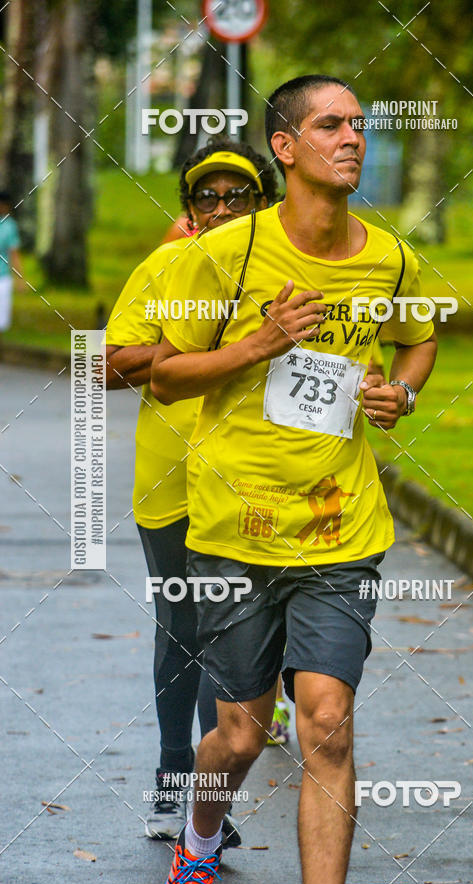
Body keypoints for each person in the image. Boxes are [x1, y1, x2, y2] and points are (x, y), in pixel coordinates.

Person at [151, 74, 437, 884]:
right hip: (235, 529)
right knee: (239, 738)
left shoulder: (390, 258)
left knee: (327, 728)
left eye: (359, 125)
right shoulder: (224, 254)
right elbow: (163, 375)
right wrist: (259, 344)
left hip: (340, 530)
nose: (352, 138)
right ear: (285, 146)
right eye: (330, 125)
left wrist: (401, 393)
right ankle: (199, 840)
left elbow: (418, 340)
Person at [104, 137, 278, 842]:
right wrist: (198, 351)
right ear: (189, 208)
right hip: (173, 480)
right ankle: (173, 778)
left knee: (234, 637)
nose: (223, 207)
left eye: (239, 195)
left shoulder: (292, 271)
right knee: (183, 629)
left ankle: (211, 805)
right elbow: (106, 365)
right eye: (208, 196)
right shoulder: (166, 266)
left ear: (265, 203)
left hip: (263, 483)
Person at [0, 191, 25, 334]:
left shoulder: (9, 226)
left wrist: (19, 278)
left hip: (2, 278)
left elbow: (14, 254)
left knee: (2, 322)